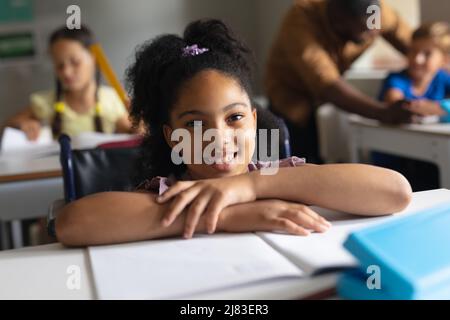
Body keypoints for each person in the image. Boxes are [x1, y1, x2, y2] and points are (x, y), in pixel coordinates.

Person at [54, 19, 412, 247]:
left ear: (255, 121)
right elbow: (72, 223)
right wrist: (229, 215)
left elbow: (395, 192)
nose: (218, 137)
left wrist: (252, 186)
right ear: (170, 136)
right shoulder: (172, 191)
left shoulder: (281, 175)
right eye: (195, 124)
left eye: (234, 118)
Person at [265, 0, 416, 163]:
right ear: (339, 21)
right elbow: (328, 85)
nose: (373, 34)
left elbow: (418, 47)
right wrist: (383, 112)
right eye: (365, 31)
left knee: (318, 165)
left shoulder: (376, 12)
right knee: (278, 166)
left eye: (376, 27)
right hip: (287, 101)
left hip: (321, 105)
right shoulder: (301, 19)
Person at [4, 25, 134, 140]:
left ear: (93, 58)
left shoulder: (112, 100)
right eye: (59, 66)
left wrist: (140, 124)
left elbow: (134, 133)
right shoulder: (46, 103)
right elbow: (6, 125)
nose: (66, 72)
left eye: (75, 62)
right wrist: (22, 124)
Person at [375, 22, 450, 191]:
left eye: (427, 53)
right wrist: (441, 108)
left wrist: (436, 107)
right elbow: (397, 103)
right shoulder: (396, 79)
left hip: (428, 158)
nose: (417, 59)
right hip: (394, 161)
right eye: (413, 51)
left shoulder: (442, 78)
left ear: (445, 60)